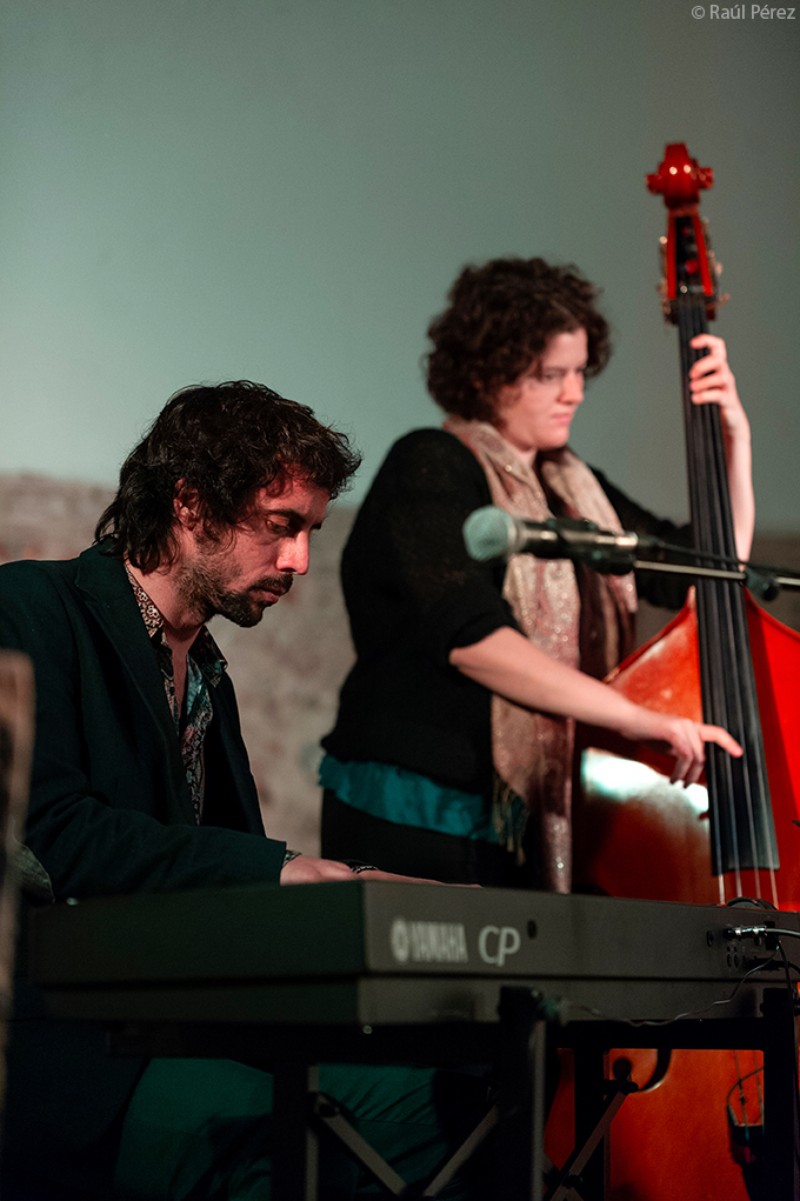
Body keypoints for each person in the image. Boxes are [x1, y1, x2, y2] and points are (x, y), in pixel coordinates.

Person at [0, 381, 492, 1200]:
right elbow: (47, 835)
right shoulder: (28, 607)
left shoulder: (207, 675)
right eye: (281, 525)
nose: (300, 560)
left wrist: (365, 904)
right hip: (74, 1051)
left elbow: (226, 895)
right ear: (190, 504)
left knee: (463, 1101)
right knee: (283, 1142)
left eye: (311, 531)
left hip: (192, 1030)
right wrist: (285, 869)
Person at [320, 256, 753, 891]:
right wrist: (636, 718)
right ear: (486, 373)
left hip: (530, 819)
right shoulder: (429, 465)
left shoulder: (572, 488)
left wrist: (734, 440)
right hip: (422, 811)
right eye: (551, 375)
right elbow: (473, 640)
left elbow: (706, 574)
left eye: (579, 372)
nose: (574, 392)